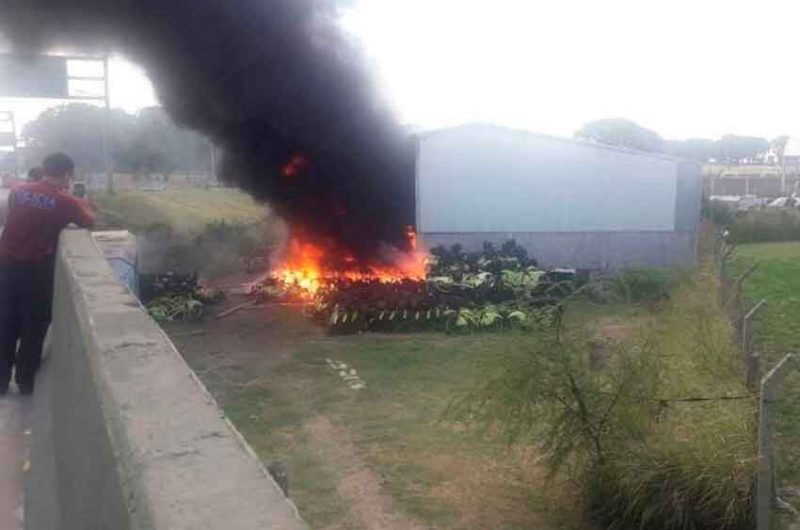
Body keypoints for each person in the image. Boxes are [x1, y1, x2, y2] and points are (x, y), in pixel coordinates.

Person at [0, 153, 94, 395]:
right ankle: (25, 380)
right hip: (37, 272)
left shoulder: (19, 191)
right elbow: (91, 221)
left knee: (6, 322)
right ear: (67, 175)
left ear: (43, 169)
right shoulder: (65, 202)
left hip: (7, 266)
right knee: (35, 325)